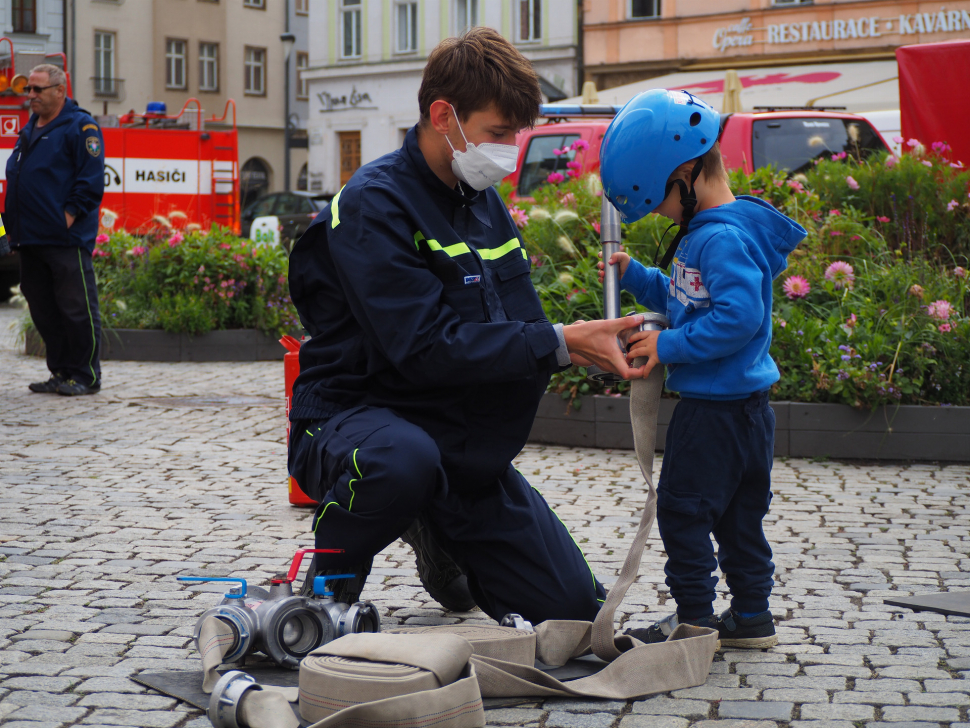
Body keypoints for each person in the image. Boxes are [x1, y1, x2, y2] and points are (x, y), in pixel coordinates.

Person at [287, 28, 645, 624]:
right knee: (401, 463)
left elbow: (522, 323)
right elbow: (423, 348)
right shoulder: (373, 205)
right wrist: (562, 342)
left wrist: (589, 344)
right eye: (498, 133)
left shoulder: (481, 201)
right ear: (443, 114)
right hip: (356, 417)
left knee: (574, 614)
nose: (508, 149)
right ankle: (327, 590)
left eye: (516, 134)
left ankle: (433, 524)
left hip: (455, 440)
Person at [598, 89, 806, 648]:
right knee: (740, 520)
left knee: (684, 513)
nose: (663, 214)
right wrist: (638, 275)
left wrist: (666, 348)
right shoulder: (714, 234)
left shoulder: (719, 238)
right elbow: (691, 298)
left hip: (713, 414)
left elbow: (738, 318)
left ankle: (693, 620)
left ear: (686, 175)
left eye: (662, 202)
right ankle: (752, 617)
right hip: (746, 414)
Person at [6, 64, 105, 396]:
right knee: (44, 311)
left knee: (76, 309)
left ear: (60, 91)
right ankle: (61, 372)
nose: (30, 95)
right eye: (28, 90)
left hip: (64, 239)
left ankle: (86, 375)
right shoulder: (30, 129)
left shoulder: (81, 127)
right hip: (30, 238)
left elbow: (90, 183)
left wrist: (67, 217)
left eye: (37, 89)